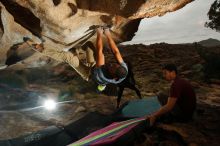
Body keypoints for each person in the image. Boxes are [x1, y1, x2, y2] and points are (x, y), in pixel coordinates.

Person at [93, 27, 128, 92]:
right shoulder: (124, 69)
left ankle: (101, 87)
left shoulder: (101, 73)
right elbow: (116, 52)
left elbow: (99, 51)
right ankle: (103, 85)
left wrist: (99, 33)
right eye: (116, 65)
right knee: (104, 83)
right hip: (107, 79)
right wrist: (108, 34)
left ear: (113, 75)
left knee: (96, 54)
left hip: (95, 74)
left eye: (112, 67)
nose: (112, 64)